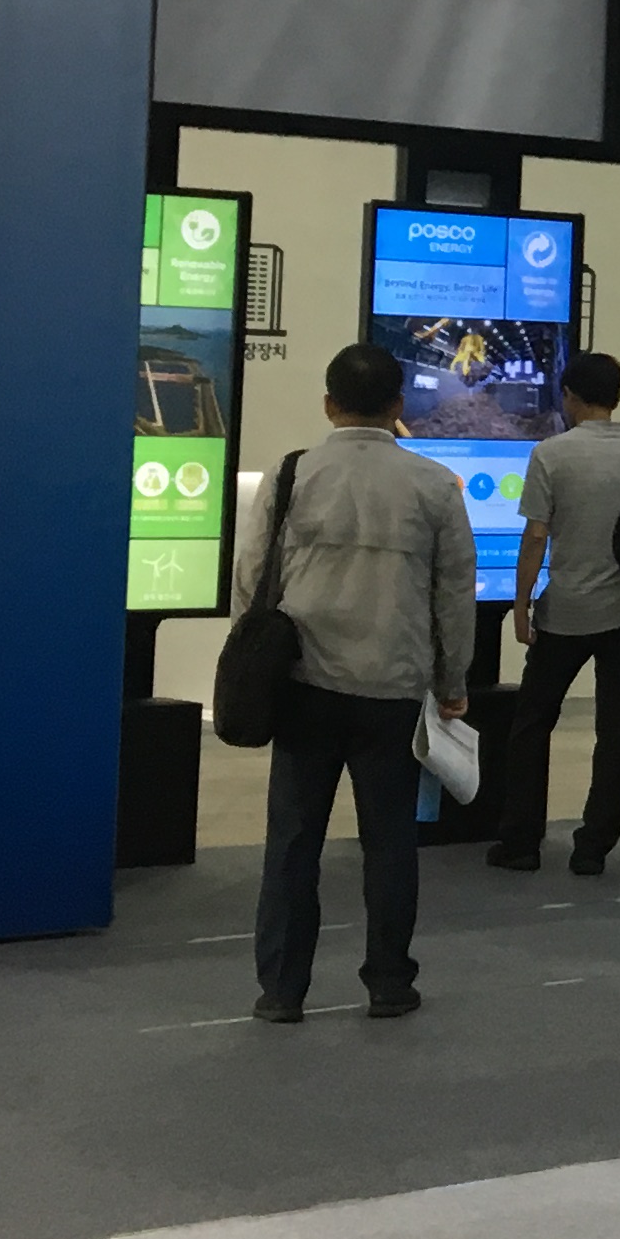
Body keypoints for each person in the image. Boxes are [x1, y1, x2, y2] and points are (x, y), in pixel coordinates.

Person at [244, 339, 476, 1025]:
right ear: (399, 405)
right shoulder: (435, 485)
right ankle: (388, 982)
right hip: (392, 688)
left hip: (304, 684)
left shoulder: (291, 474)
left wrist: (257, 664)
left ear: (328, 403)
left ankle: (282, 990)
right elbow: (453, 595)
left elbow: (252, 578)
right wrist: (452, 681)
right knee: (390, 842)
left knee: (293, 842)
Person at [496, 350, 620, 877]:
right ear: (617, 395)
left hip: (565, 612)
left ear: (569, 396)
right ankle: (593, 847)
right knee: (616, 730)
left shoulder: (552, 453)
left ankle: (521, 842)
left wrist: (521, 605)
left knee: (532, 724)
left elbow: (536, 536)